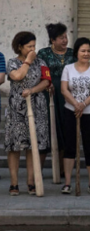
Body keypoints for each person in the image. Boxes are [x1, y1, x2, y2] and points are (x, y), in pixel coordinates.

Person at [6, 31, 51, 196]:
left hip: (37, 107)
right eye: (28, 46)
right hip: (17, 109)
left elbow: (46, 81)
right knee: (15, 146)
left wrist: (32, 90)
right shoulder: (12, 63)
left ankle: (32, 182)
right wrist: (27, 62)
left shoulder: (41, 62)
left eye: (34, 46)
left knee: (34, 145)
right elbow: (18, 76)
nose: (33, 49)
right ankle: (14, 183)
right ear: (20, 47)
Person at [60, 37, 90, 195]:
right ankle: (67, 183)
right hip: (70, 111)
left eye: (89, 51)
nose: (86, 54)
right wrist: (75, 105)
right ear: (77, 52)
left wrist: (83, 105)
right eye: (83, 51)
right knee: (70, 146)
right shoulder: (68, 68)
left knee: (89, 145)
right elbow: (64, 89)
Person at [37, 22, 72, 179]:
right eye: (60, 37)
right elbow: (41, 72)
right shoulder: (43, 54)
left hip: (67, 96)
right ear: (52, 40)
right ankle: (38, 169)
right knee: (47, 130)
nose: (65, 40)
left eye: (66, 37)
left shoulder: (73, 54)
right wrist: (48, 83)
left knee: (65, 129)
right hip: (48, 95)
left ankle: (63, 169)